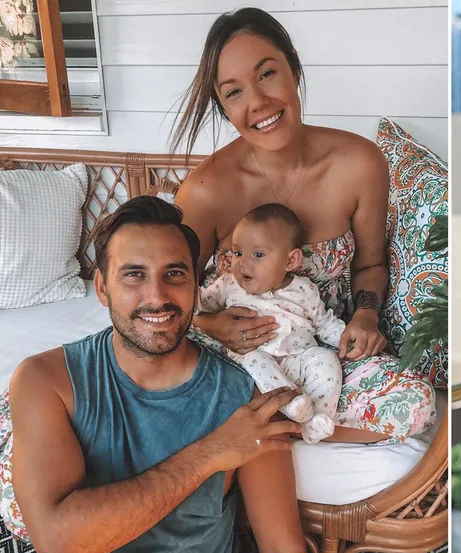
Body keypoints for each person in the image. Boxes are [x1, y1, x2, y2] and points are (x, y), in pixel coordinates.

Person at [171, 6, 436, 445]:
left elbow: (370, 264)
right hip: (238, 357)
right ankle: (281, 423)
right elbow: (172, 290)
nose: (257, 103)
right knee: (179, 394)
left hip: (321, 348)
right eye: (233, 92)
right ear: (223, 106)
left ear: (293, 65)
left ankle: (275, 427)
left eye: (267, 74)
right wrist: (208, 325)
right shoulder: (206, 190)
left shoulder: (359, 163)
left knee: (417, 401)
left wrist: (366, 315)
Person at [7, 196, 306, 552]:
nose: (157, 296)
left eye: (174, 274)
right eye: (134, 274)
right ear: (102, 288)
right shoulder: (47, 381)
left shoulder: (244, 396)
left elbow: (281, 545)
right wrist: (211, 453)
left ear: (196, 287)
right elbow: (57, 542)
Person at [200, 203, 345, 444]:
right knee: (252, 359)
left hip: (298, 359)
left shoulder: (304, 290)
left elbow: (324, 323)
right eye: (237, 253)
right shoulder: (228, 286)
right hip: (257, 366)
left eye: (258, 255)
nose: (243, 263)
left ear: (290, 260)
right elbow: (200, 302)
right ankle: (290, 404)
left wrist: (347, 339)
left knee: (325, 359)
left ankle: (317, 420)